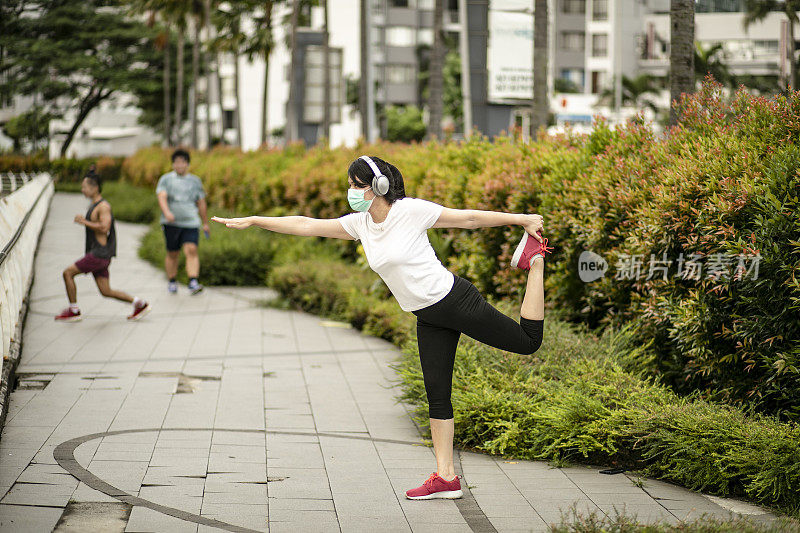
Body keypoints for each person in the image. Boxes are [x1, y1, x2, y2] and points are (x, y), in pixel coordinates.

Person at [211, 155, 552, 500]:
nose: (350, 192)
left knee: (527, 342)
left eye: (355, 185)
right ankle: (446, 477)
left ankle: (535, 261)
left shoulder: (410, 211)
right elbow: (306, 224)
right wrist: (255, 220)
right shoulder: (361, 224)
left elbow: (469, 218)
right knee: (437, 394)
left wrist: (522, 219)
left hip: (455, 301)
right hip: (428, 315)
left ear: (378, 187)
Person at [55, 171, 150, 322]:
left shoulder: (103, 206)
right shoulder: (95, 205)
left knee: (68, 273)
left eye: (84, 187)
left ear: (95, 188)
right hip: (100, 256)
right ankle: (140, 303)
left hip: (98, 255)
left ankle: (74, 310)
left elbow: (105, 227)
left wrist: (84, 222)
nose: (82, 190)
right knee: (106, 291)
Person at [156, 148, 209, 295]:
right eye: (176, 162)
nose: (179, 165)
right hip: (171, 223)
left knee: (191, 249)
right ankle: (172, 280)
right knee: (173, 253)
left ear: (187, 164)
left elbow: (201, 202)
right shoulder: (166, 179)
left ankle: (193, 281)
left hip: (191, 222)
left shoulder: (195, 181)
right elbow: (162, 196)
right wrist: (167, 212)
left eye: (182, 162)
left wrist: (205, 223)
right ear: (173, 164)